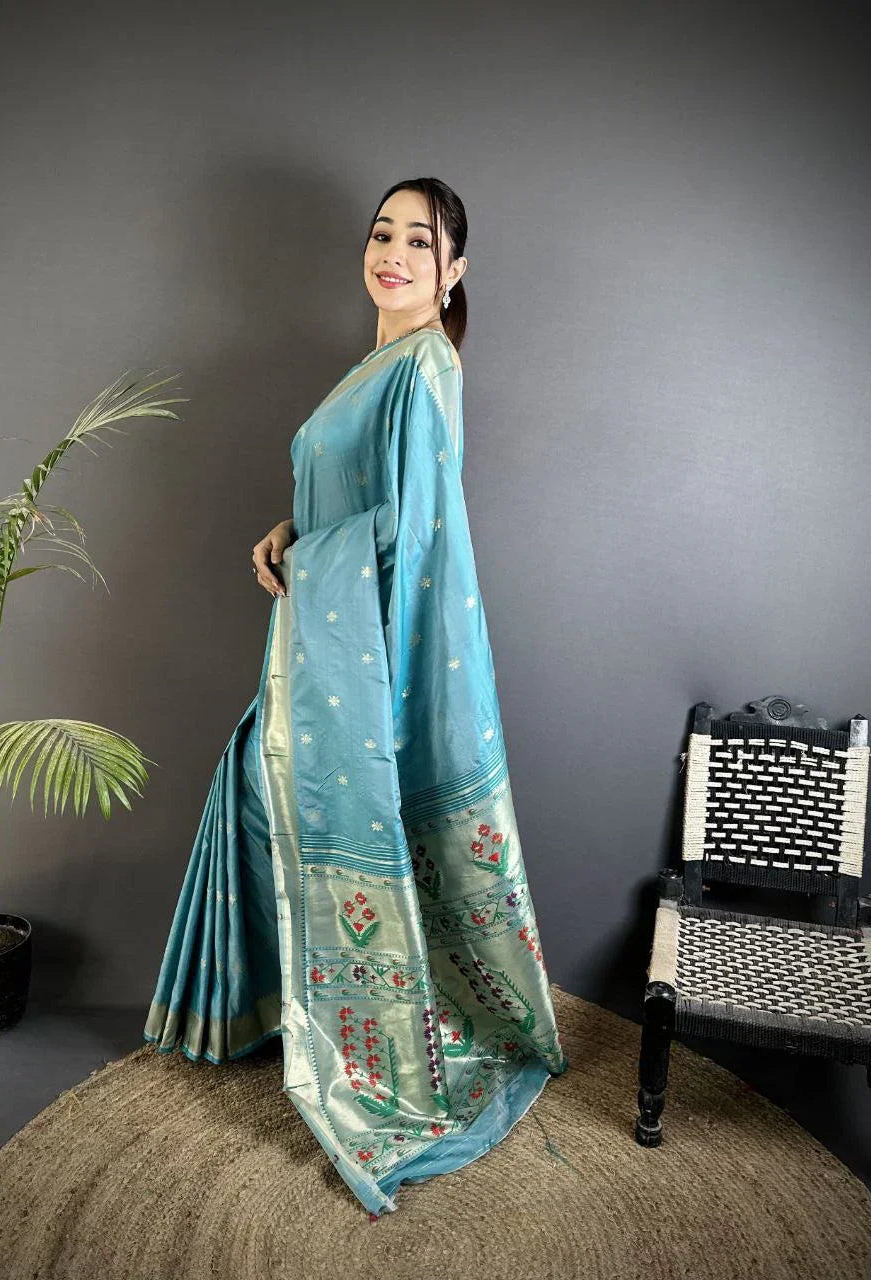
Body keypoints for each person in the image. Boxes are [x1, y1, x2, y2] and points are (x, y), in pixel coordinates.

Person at [143, 177, 568, 1216]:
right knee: (258, 794)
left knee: (288, 801)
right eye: (383, 234)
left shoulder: (423, 366)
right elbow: (363, 502)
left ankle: (375, 1044)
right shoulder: (377, 363)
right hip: (324, 633)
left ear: (453, 270)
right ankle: (265, 1012)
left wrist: (313, 551)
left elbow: (414, 531)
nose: (394, 253)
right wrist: (296, 530)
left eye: (420, 241)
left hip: (365, 650)